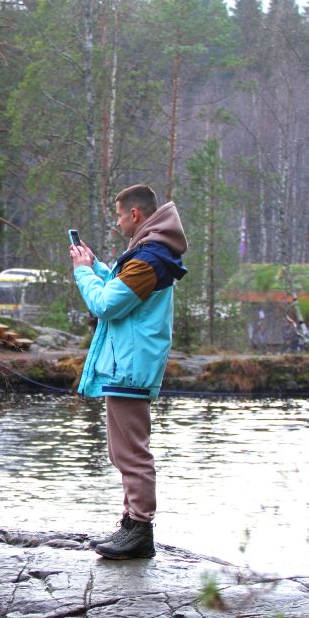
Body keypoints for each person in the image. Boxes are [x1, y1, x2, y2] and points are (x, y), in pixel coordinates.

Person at [69, 185, 187, 560]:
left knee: (132, 453)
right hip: (127, 365)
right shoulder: (148, 255)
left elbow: (106, 304)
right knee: (123, 451)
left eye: (119, 215)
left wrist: (83, 274)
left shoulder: (149, 258)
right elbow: (122, 291)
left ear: (135, 215)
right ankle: (130, 525)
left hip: (131, 368)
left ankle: (139, 529)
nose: (118, 222)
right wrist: (96, 266)